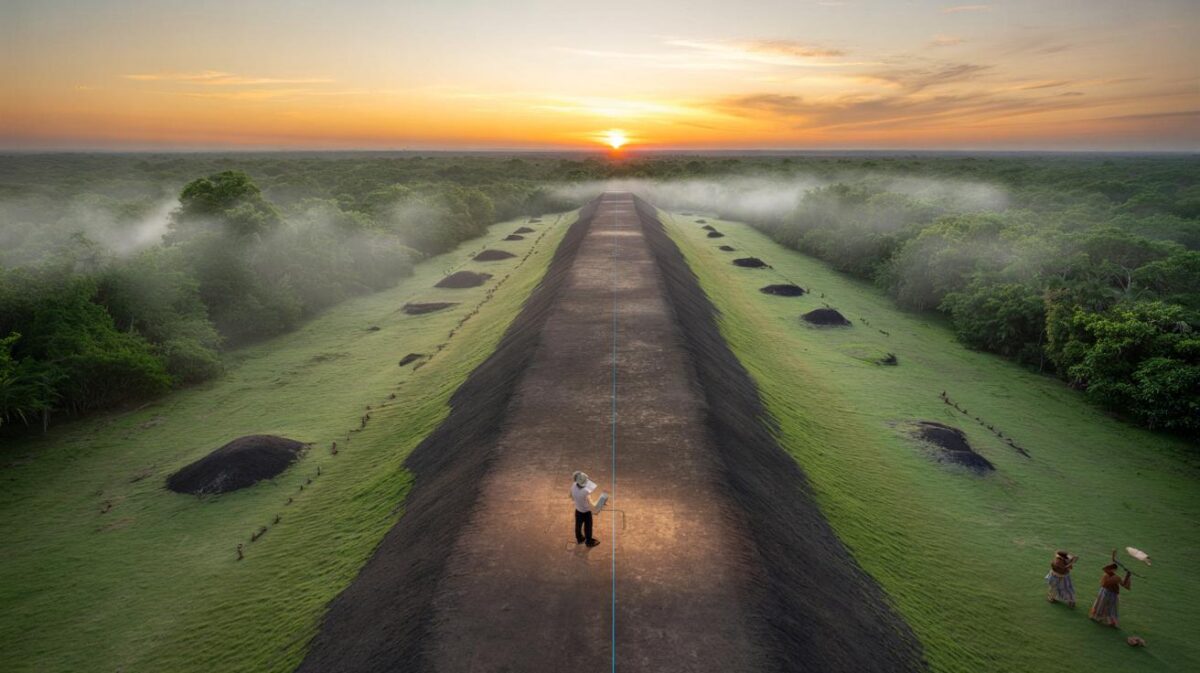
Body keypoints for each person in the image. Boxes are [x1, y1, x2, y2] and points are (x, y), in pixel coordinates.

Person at [1090, 550, 1132, 628]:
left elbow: (1123, 584)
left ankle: (1099, 618)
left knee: (1103, 606)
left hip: (1106, 593)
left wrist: (1127, 575)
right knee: (1109, 607)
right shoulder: (1114, 577)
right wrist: (1128, 575)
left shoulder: (1110, 575)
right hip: (1109, 593)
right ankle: (1108, 621)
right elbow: (1124, 584)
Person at [570, 471, 600, 548]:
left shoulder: (573, 485)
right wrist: (601, 503)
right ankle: (589, 541)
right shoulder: (585, 492)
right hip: (586, 512)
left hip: (578, 510)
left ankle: (579, 538)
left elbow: (571, 496)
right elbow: (593, 505)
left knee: (578, 525)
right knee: (588, 526)